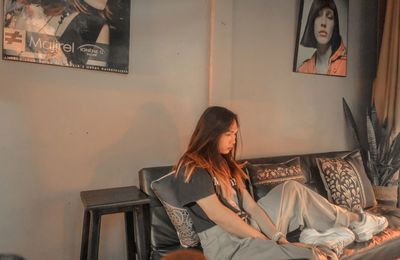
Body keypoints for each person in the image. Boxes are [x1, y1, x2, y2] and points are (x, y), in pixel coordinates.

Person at [172, 106, 388, 260]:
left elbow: (251, 207)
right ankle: (325, 242)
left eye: (235, 134)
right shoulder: (191, 167)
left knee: (292, 189)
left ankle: (355, 220)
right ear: (211, 133)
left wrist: (276, 236)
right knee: (307, 255)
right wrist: (267, 240)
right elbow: (220, 216)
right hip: (227, 244)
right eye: (228, 134)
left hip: (247, 225)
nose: (234, 140)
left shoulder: (225, 162)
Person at [297, 0, 347, 76]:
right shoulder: (303, 69)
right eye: (318, 15)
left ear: (334, 26)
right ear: (312, 23)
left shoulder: (347, 63)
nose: (323, 23)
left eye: (329, 17)